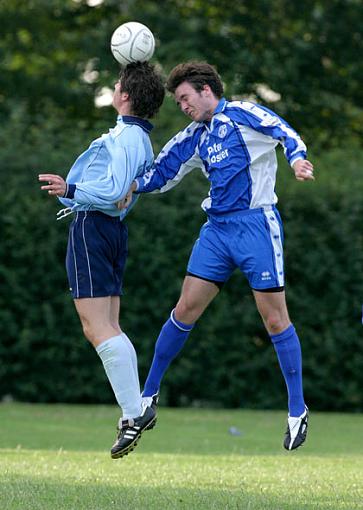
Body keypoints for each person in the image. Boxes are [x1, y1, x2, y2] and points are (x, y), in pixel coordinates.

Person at [122, 61, 314, 451]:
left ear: (206, 90)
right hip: (217, 232)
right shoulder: (194, 135)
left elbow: (284, 131)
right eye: (178, 102)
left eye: (185, 98)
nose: (183, 106)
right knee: (184, 310)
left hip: (257, 227)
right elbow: (164, 170)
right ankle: (147, 397)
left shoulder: (243, 114)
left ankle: (297, 410)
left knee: (275, 320)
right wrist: (132, 186)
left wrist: (296, 159)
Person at [39, 61, 165, 459]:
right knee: (108, 325)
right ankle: (134, 410)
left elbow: (112, 193)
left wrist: (70, 188)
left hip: (94, 229)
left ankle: (135, 411)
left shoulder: (129, 137)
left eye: (116, 84)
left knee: (97, 329)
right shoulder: (138, 138)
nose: (113, 87)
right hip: (110, 233)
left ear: (125, 96)